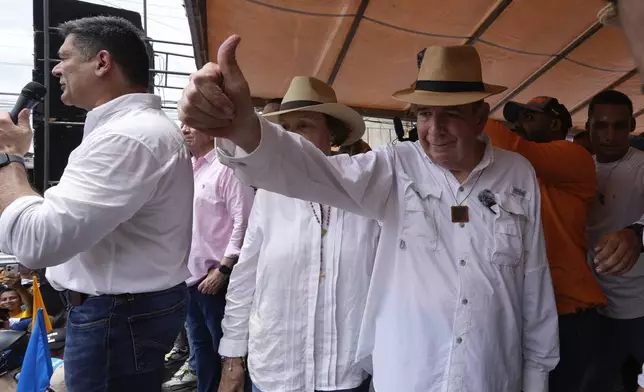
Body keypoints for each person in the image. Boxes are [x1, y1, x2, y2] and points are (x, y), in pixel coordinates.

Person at [179, 37, 559, 392]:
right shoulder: (396, 167)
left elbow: (533, 279)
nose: (435, 129)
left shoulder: (517, 174)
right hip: (409, 375)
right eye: (425, 113)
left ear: (480, 117)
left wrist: (536, 374)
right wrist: (242, 127)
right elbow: (315, 171)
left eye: (452, 115)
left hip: (488, 373)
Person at [0, 16, 193, 391]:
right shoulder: (136, 131)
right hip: (126, 312)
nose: (55, 69)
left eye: (65, 57)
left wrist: (9, 158)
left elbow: (35, 242)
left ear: (103, 63)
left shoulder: (127, 137)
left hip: (116, 317)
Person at [217, 76, 379, 392]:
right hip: (278, 370)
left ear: (332, 132)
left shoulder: (367, 194)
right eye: (286, 129)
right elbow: (245, 276)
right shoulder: (269, 194)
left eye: (303, 126)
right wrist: (233, 357)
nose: (291, 137)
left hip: (346, 371)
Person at [485, 96, 604, 392]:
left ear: (553, 124)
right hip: (532, 311)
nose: (518, 125)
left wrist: (465, 108)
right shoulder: (525, 174)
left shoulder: (574, 155)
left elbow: (513, 146)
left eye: (528, 118)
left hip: (568, 315)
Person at [579, 90, 644, 391]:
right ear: (588, 126)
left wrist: (637, 233)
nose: (609, 134)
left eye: (619, 125)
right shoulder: (577, 169)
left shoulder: (642, 167)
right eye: (601, 125)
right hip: (598, 308)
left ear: (632, 124)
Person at [181, 124, 254, 392]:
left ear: (211, 133)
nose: (184, 129)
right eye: (183, 123)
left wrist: (225, 267)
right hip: (191, 279)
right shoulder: (189, 170)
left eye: (192, 125)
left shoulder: (228, 169)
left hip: (218, 279)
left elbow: (243, 221)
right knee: (201, 350)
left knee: (229, 354)